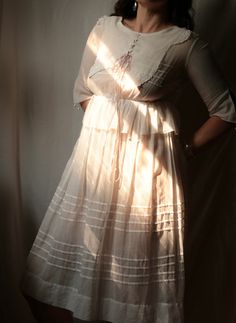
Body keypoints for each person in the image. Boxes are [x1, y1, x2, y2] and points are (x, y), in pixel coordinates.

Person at [21, 0, 236, 322]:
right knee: (44, 279)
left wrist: (184, 150)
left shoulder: (184, 44)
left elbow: (225, 112)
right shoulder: (104, 28)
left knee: (132, 289)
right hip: (93, 168)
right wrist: (110, 137)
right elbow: (83, 90)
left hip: (149, 176)